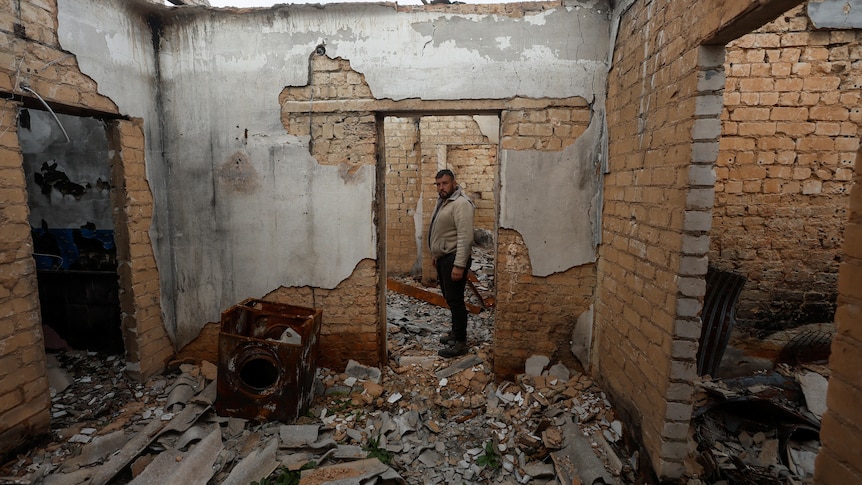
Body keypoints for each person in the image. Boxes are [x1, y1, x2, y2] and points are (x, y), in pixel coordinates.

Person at [428, 169, 475, 358]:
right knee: (450, 298)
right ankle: (455, 333)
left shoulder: (461, 203)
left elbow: (466, 236)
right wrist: (435, 254)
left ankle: (461, 342)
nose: (441, 187)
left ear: (454, 183)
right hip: (444, 258)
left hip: (454, 258)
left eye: (445, 183)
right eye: (438, 184)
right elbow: (441, 232)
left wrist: (459, 265)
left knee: (456, 301)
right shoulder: (444, 202)